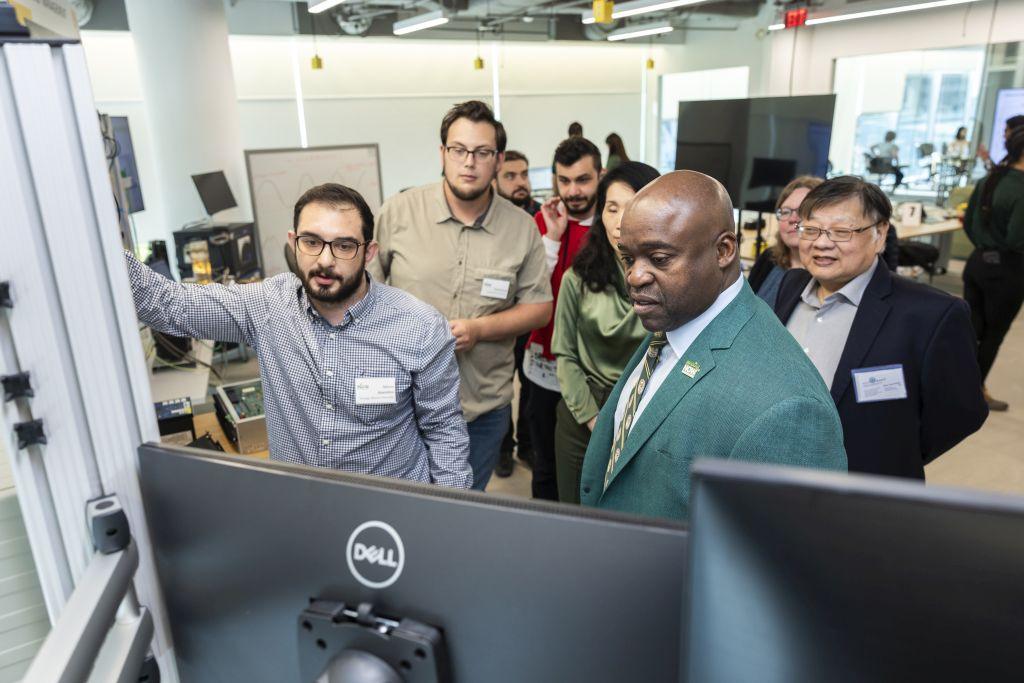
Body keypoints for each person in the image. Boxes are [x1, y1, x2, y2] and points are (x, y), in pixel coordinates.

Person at [126, 183, 472, 488]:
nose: (324, 260)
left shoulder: (420, 327)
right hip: (298, 508)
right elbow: (167, 304)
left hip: (388, 517)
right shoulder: (268, 306)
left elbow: (444, 432)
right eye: (311, 242)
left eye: (344, 246)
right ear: (294, 243)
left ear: (368, 252)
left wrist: (446, 521)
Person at [579, 171, 847, 521]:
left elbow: (787, 565)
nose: (635, 277)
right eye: (628, 259)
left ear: (723, 250)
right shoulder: (676, 317)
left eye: (659, 259)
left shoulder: (789, 411)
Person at [369, 101, 552, 491]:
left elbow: (539, 308)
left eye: (482, 152)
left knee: (461, 508)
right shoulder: (398, 213)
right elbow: (363, 295)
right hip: (400, 404)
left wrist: (479, 329)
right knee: (402, 507)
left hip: (481, 409)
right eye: (458, 150)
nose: (469, 162)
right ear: (442, 153)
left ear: (497, 160)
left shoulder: (522, 229)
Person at [774, 176, 988, 479]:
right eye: (811, 229)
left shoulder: (932, 314)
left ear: (879, 234)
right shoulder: (790, 286)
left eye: (841, 231)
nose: (822, 243)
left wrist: (889, 455)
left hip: (866, 491)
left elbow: (962, 413)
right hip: (776, 478)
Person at [551, 162, 658, 504]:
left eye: (632, 207)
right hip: (585, 409)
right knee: (576, 510)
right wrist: (594, 420)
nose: (620, 220)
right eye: (612, 208)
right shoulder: (576, 279)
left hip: (647, 410)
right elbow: (565, 355)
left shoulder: (670, 282)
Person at [525, 136, 602, 500]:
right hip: (544, 363)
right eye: (564, 180)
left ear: (600, 176)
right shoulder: (542, 221)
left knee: (590, 462)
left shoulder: (612, 225)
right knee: (545, 465)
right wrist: (552, 238)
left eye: (583, 180)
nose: (573, 191)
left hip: (595, 369)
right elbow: (529, 292)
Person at [962, 128, 1024, 411]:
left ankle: (956, 386)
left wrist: (985, 246)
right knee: (992, 335)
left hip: (977, 263)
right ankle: (973, 392)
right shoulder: (1021, 187)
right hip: (1008, 270)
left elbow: (969, 222)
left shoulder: (989, 179)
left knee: (971, 329)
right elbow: (1016, 238)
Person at [492, 148, 538, 477]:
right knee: (501, 390)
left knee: (530, 389)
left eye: (524, 174)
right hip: (496, 322)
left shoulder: (542, 215)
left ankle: (526, 444)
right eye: (510, 176)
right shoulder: (491, 222)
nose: (520, 182)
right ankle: (503, 449)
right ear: (494, 180)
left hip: (533, 320)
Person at [748, 176, 823, 308]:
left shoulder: (827, 274)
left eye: (802, 211)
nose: (792, 219)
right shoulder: (768, 258)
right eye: (786, 211)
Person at [495, 149, 541, 216]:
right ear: (494, 182)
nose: (521, 183)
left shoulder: (544, 215)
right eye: (510, 176)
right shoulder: (485, 217)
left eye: (524, 174)